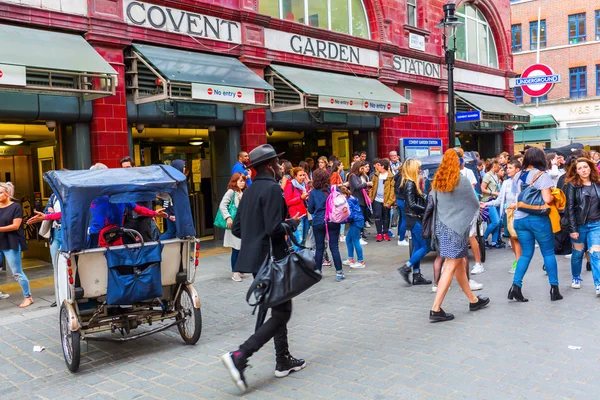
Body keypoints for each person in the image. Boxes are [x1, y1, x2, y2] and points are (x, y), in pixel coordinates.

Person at [222, 144, 304, 392]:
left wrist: (254, 236)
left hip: (259, 263)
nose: (281, 167)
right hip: (273, 260)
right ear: (270, 165)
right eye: (278, 163)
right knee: (282, 312)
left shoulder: (249, 191)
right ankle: (240, 355)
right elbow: (273, 229)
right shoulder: (271, 189)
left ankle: (283, 360)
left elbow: (237, 229)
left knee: (280, 309)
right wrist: (291, 224)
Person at [429, 150, 489, 322]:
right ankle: (435, 309)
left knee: (460, 266)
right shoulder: (461, 180)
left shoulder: (438, 180)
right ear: (459, 161)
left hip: (443, 227)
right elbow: (474, 203)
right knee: (449, 267)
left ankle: (473, 300)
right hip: (457, 230)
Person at [508, 147, 560, 303]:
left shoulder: (517, 175)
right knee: (548, 253)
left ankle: (515, 287)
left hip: (520, 219)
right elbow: (547, 199)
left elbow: (516, 197)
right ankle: (554, 289)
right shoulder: (542, 175)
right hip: (538, 219)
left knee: (525, 254)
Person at [566, 157, 600, 294]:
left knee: (596, 254)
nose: (583, 170)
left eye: (585, 167)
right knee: (577, 253)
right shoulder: (573, 185)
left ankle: (598, 284)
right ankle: (576, 277)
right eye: (579, 168)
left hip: (596, 224)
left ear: (590, 167)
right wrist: (573, 229)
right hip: (579, 225)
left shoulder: (597, 183)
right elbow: (570, 208)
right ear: (576, 171)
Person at [483, 160, 522, 274]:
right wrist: (487, 204)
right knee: (512, 239)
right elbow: (499, 200)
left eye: (510, 168)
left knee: (516, 239)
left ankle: (518, 262)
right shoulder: (505, 183)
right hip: (507, 214)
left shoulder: (521, 183)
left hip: (519, 214)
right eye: (507, 168)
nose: (507, 170)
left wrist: (516, 206)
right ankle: (518, 260)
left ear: (517, 170)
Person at [397, 159, 432, 286]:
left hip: (412, 218)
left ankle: (416, 274)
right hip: (414, 217)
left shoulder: (408, 182)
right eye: (418, 167)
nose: (420, 170)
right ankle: (407, 267)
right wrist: (427, 209)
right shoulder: (410, 183)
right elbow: (411, 204)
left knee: (418, 247)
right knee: (426, 246)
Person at [0, 182, 33, 308]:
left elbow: (16, 226)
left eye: (0, 192)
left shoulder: (16, 207)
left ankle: (28, 297)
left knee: (17, 273)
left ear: (8, 194)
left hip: (11, 243)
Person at [308, 168, 345, 281]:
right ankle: (339, 273)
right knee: (334, 247)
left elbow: (310, 209)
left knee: (319, 248)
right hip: (333, 220)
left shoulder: (313, 192)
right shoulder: (334, 189)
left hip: (318, 222)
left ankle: (318, 272)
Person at [456, 148, 485, 276]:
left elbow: (472, 192)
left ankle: (478, 263)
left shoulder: (468, 172)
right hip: (456, 209)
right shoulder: (451, 173)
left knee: (470, 235)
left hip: (468, 208)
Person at [219, 173, 247, 282]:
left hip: (243, 224)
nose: (242, 182)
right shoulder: (231, 192)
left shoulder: (242, 192)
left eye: (243, 180)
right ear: (234, 182)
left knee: (241, 248)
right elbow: (223, 205)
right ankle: (235, 272)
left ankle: (240, 268)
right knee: (236, 248)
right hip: (234, 225)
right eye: (239, 181)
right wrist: (228, 217)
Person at [369, 158, 395, 242]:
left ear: (383, 166)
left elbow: (392, 190)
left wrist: (390, 201)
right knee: (377, 216)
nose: (378, 167)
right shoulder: (376, 175)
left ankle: (386, 233)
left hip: (386, 200)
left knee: (386, 217)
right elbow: (372, 188)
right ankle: (379, 233)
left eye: (379, 165)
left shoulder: (391, 176)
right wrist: (370, 197)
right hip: (376, 200)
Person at [284, 167, 309, 250]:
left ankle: (301, 259)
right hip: (297, 216)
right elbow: (288, 201)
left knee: (304, 240)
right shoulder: (289, 185)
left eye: (303, 175)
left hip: (305, 214)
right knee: (298, 240)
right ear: (295, 176)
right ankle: (296, 260)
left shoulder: (304, 186)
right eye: (300, 175)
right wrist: (300, 198)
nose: (302, 177)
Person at [340, 186, 365, 268]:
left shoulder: (347, 202)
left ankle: (361, 261)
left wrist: (340, 221)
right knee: (348, 239)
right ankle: (350, 259)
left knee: (355, 241)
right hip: (358, 221)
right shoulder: (352, 199)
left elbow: (350, 216)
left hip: (356, 222)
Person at [481, 159, 503, 249]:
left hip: (496, 200)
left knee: (499, 222)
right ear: (494, 165)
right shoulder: (487, 175)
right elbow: (482, 189)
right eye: (498, 165)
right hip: (489, 200)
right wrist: (493, 193)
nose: (500, 167)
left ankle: (494, 242)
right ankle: (484, 239)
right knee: (495, 221)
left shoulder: (495, 175)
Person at [349, 161, 371, 244]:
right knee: (358, 219)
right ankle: (358, 237)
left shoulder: (358, 176)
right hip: (357, 200)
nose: (363, 170)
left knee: (361, 219)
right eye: (361, 168)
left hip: (361, 200)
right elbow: (357, 186)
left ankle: (358, 236)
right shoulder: (353, 176)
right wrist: (366, 184)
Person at [393, 167, 408, 246]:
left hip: (399, 199)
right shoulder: (403, 176)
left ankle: (400, 234)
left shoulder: (399, 175)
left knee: (402, 218)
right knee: (404, 219)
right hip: (402, 200)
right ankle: (401, 239)